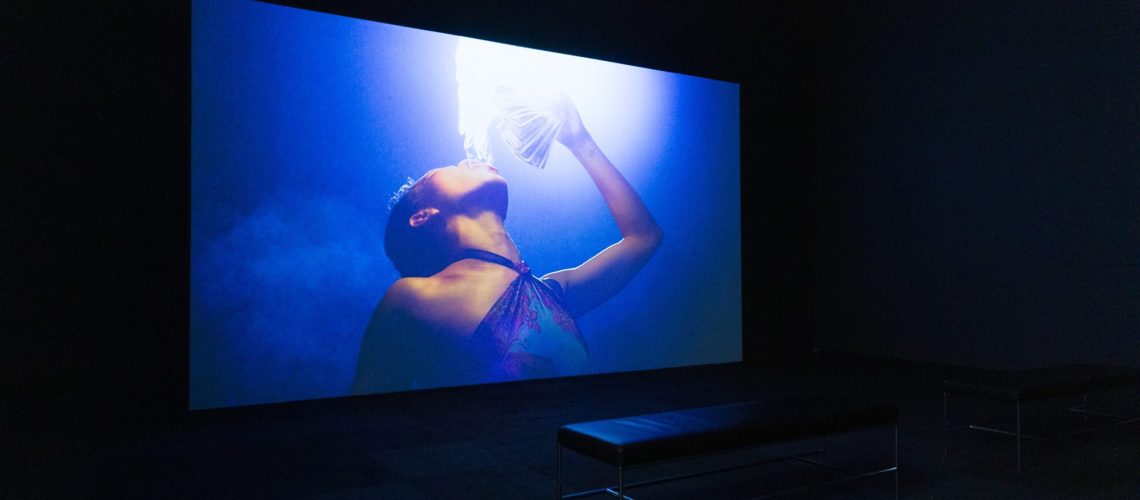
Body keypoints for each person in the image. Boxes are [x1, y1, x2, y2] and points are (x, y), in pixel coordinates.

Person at [351, 96, 662, 394]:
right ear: (422, 216)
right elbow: (368, 419)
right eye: (447, 169)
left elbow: (643, 238)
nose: (466, 159)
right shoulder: (412, 298)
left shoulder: (553, 294)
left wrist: (580, 141)